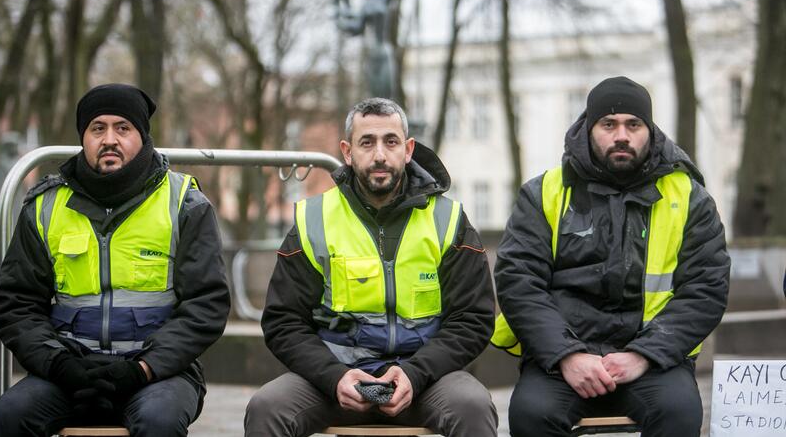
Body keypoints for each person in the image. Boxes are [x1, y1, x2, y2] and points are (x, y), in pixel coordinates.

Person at [245, 97, 497, 436]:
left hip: (426, 380)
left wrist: (416, 373)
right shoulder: (314, 220)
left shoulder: (448, 220)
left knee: (473, 407)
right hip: (335, 380)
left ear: (408, 149)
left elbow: (473, 318)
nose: (380, 154)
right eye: (367, 142)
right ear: (348, 152)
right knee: (267, 408)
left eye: (390, 141)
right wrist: (335, 377)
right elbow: (283, 321)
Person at [492, 76, 730, 437]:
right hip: (561, 363)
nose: (622, 135)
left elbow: (706, 288)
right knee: (530, 416)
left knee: (680, 414)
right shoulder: (544, 193)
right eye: (609, 124)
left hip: (654, 361)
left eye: (633, 124)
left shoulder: (689, 197)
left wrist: (643, 355)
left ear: (649, 130)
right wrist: (568, 356)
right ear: (590, 129)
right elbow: (518, 283)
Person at [0, 83, 231, 437]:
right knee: (8, 416)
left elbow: (207, 305)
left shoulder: (185, 204)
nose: (109, 139)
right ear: (84, 138)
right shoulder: (45, 206)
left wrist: (142, 369)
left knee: (159, 423)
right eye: (97, 128)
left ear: (143, 136)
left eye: (123, 127)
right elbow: (15, 304)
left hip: (157, 375)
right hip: (67, 373)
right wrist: (60, 365)